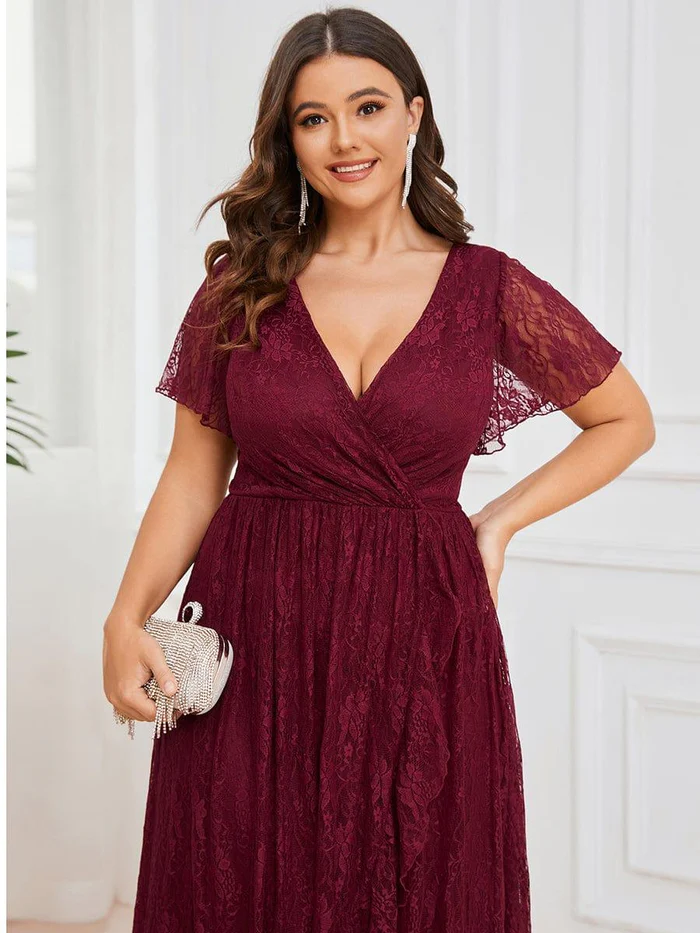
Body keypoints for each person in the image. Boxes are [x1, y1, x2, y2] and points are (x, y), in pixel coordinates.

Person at [102, 8, 655, 932]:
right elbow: (193, 475)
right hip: (258, 619)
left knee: (420, 867)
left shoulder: (487, 286)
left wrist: (499, 520)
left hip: (424, 620)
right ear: (289, 139)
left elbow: (625, 420)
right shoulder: (240, 285)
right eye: (313, 118)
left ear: (412, 116)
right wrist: (125, 615)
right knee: (242, 870)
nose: (344, 139)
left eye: (367, 108)